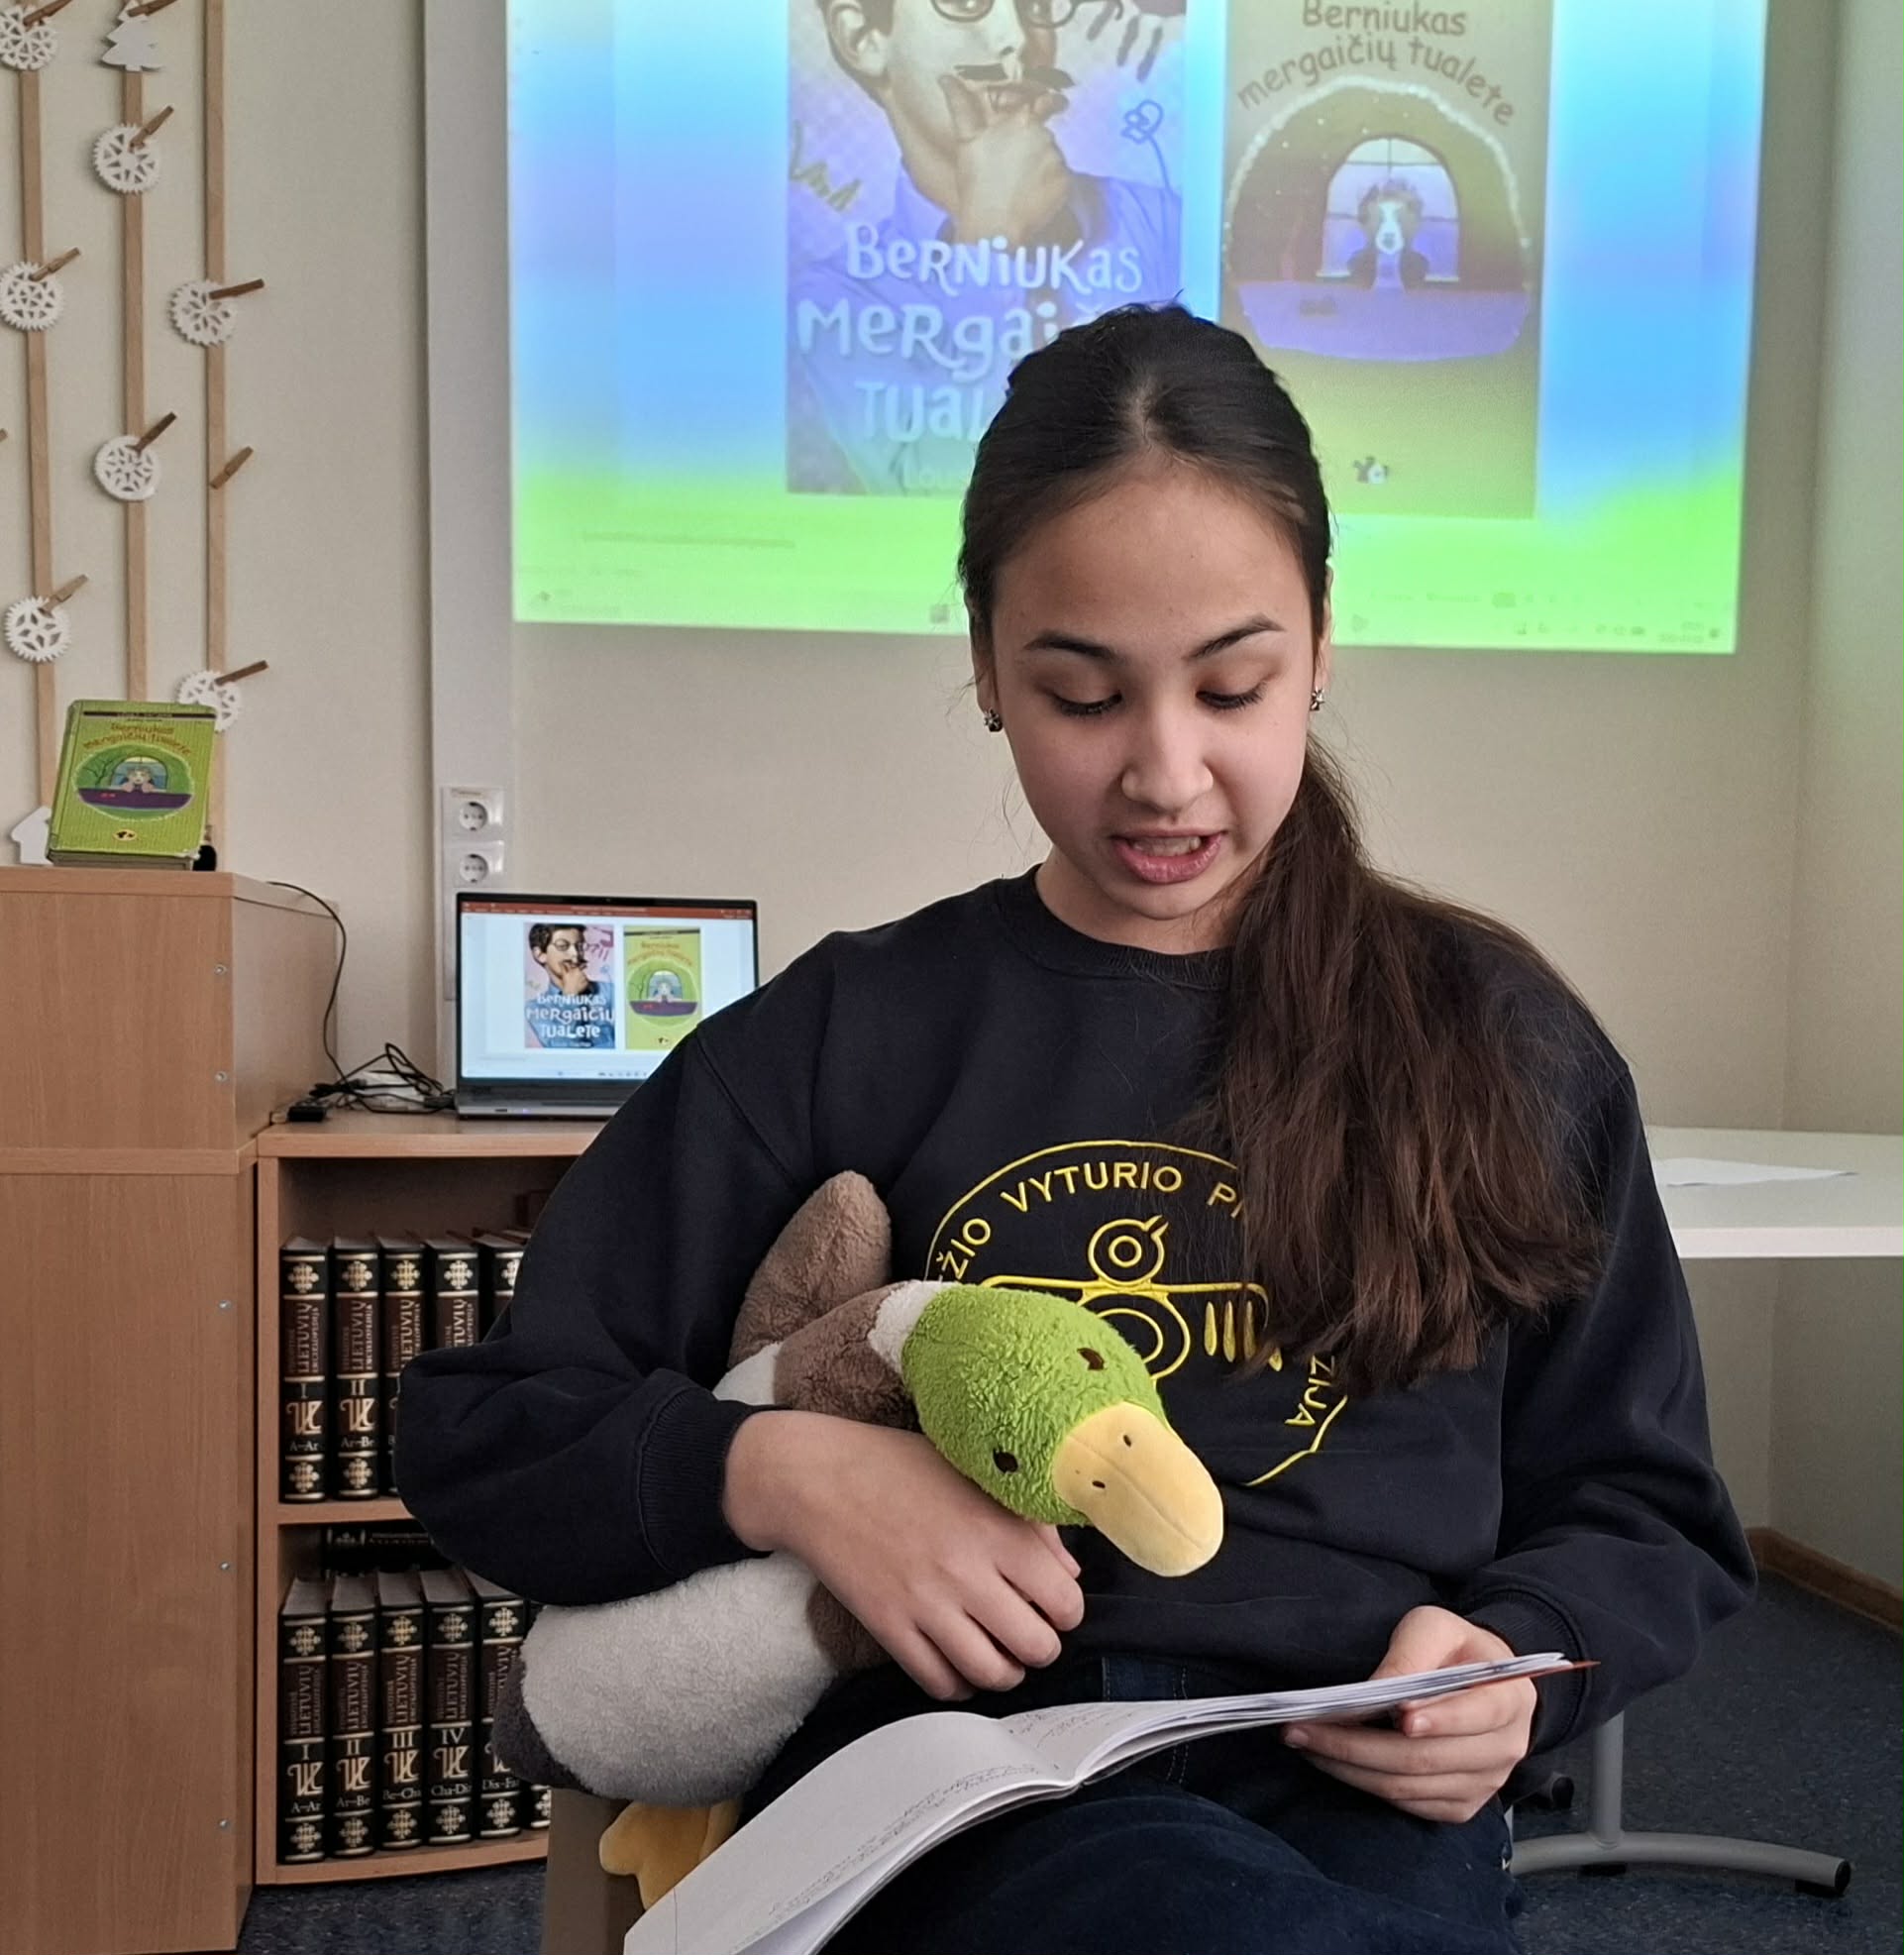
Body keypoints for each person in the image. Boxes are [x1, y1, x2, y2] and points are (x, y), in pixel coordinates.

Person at [400, 304, 1753, 1953]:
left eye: (1233, 685)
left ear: (1321, 645)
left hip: (1343, 1791)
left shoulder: (1497, 1035)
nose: (1165, 773)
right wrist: (786, 1470)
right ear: (986, 666)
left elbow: (1641, 1497)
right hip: (938, 1784)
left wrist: (1516, 1660)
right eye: (1083, 694)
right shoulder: (847, 1031)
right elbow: (486, 1434)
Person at [790, 0, 1182, 493]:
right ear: (862, 39)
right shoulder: (835, 298)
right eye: (967, 4)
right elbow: (937, 492)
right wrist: (992, 239)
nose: (1017, 39)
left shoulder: (1165, 222)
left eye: (1035, 5)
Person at [523, 923, 616, 1051]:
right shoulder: (536, 1008)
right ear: (540, 955)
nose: (575, 954)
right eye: (563, 946)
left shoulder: (610, 991)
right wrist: (571, 996)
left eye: (579, 946)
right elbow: (563, 1049)